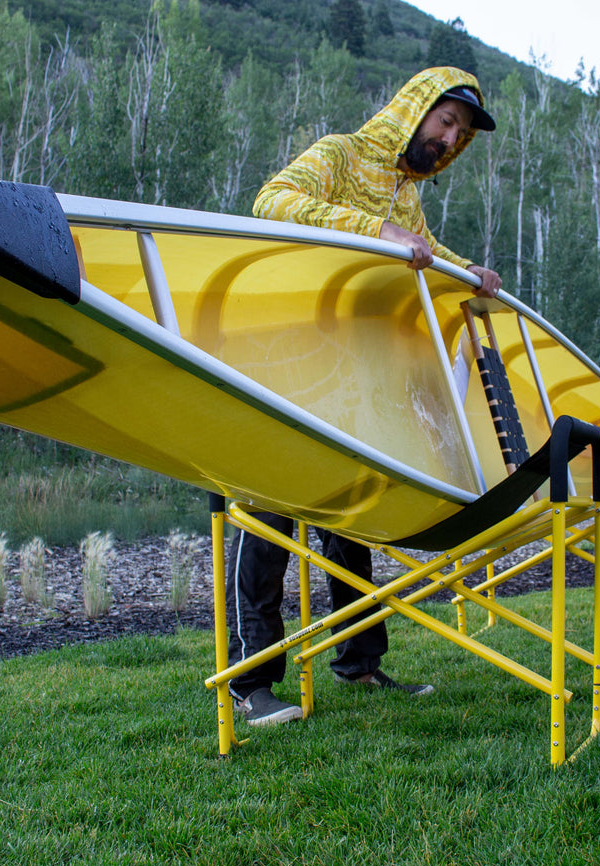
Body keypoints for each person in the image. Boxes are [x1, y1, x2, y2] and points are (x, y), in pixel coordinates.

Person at [225, 66, 503, 727]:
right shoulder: (341, 152)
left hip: (351, 380)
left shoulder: (408, 198)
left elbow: (425, 252)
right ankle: (250, 682)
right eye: (445, 121)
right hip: (281, 359)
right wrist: (373, 233)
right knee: (266, 517)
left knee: (351, 522)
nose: (449, 138)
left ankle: (360, 659)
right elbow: (273, 201)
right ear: (414, 109)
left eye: (460, 133)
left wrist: (473, 275)